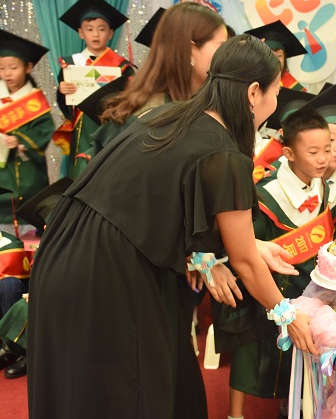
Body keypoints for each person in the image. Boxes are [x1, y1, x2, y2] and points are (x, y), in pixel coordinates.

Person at [27, 35, 317, 419]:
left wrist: (252, 247)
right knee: (126, 393)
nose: (275, 102)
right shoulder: (225, 153)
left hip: (66, 250)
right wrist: (287, 315)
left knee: (95, 389)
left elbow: (152, 206)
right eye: (276, 91)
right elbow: (245, 263)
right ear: (253, 92)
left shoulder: (168, 116)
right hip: (112, 272)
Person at [228, 107, 331, 419]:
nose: (323, 159)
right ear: (288, 153)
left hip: (306, 287)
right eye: (313, 152)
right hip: (265, 289)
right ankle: (235, 414)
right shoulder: (263, 194)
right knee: (250, 356)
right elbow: (246, 247)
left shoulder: (322, 186)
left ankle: (293, 405)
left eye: (327, 149)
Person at [91, 1, 227, 155]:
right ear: (191, 49)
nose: (227, 54)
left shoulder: (195, 105)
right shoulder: (151, 120)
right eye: (221, 46)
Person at [54, 0, 133, 179]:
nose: (95, 34)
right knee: (81, 174)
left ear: (110, 33)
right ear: (81, 33)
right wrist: (62, 92)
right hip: (81, 131)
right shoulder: (71, 64)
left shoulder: (122, 67)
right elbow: (67, 107)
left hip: (110, 128)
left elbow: (132, 101)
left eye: (101, 29)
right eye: (89, 29)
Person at [0, 31, 55, 226]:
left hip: (28, 167)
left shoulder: (34, 101)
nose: (7, 73)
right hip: (2, 168)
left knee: (29, 211)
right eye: (1, 68)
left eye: (13, 67)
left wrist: (20, 139)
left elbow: (45, 129)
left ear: (28, 67)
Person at [245, 20, 308, 91]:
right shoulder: (247, 83)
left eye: (279, 56)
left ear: (284, 58)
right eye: (269, 56)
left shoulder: (295, 90)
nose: (275, 61)